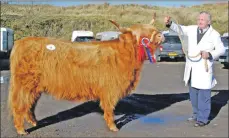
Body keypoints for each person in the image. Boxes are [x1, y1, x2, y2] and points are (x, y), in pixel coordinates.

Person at [164, 11, 225, 127]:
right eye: (198, 19)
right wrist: (169, 23)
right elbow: (180, 29)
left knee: (204, 96)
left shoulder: (214, 34)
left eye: (202, 20)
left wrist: (210, 54)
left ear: (209, 22)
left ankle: (202, 119)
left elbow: (221, 49)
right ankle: (196, 115)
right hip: (191, 68)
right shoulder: (192, 29)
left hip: (203, 69)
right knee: (193, 96)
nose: (199, 21)